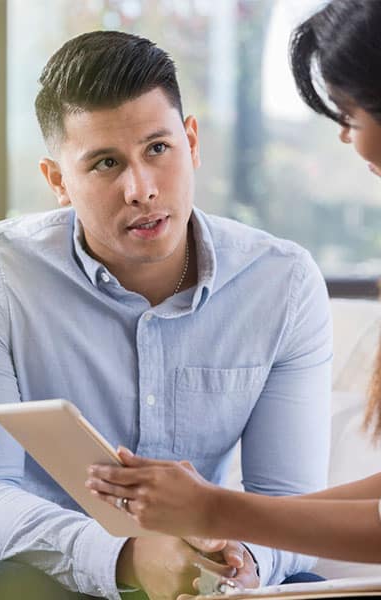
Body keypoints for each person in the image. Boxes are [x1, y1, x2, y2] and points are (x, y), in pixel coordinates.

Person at [0, 30, 332, 600]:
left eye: (158, 149)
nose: (140, 189)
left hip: (206, 573)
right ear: (57, 182)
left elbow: (290, 503)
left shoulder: (282, 284)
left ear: (191, 142)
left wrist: (242, 557)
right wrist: (126, 558)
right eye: (104, 163)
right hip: (43, 572)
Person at [85, 0, 381, 570]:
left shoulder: (282, 281)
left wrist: (215, 511)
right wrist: (234, 538)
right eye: (104, 163)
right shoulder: (2, 273)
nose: (345, 136)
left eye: (349, 111)